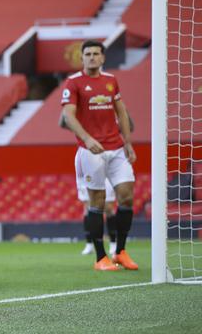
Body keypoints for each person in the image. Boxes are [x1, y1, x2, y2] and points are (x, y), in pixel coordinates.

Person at [60, 40, 138, 271]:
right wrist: (87, 138)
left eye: (96, 54)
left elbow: (121, 112)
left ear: (103, 58)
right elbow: (68, 116)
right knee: (98, 203)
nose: (92, 57)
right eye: (88, 54)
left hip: (116, 149)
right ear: (82, 58)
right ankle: (100, 257)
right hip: (91, 151)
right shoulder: (73, 83)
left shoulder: (111, 81)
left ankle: (120, 251)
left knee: (126, 197)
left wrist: (129, 143)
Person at [59, 114, 117, 256]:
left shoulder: (107, 110)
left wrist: (122, 113)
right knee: (88, 206)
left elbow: (130, 126)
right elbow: (62, 123)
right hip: (85, 156)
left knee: (108, 206)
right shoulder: (82, 115)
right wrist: (69, 111)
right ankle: (90, 243)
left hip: (106, 157)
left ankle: (114, 243)